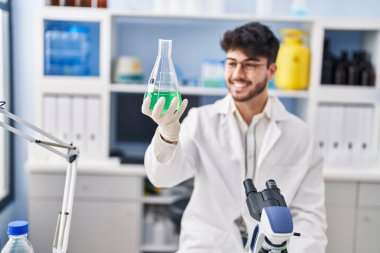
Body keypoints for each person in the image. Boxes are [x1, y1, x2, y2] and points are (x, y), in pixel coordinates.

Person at [142, 22, 327, 253]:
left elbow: (309, 215)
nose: (237, 74)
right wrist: (167, 134)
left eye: (250, 65)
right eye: (231, 63)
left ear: (271, 71)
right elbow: (162, 177)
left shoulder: (300, 135)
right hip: (207, 246)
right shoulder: (201, 121)